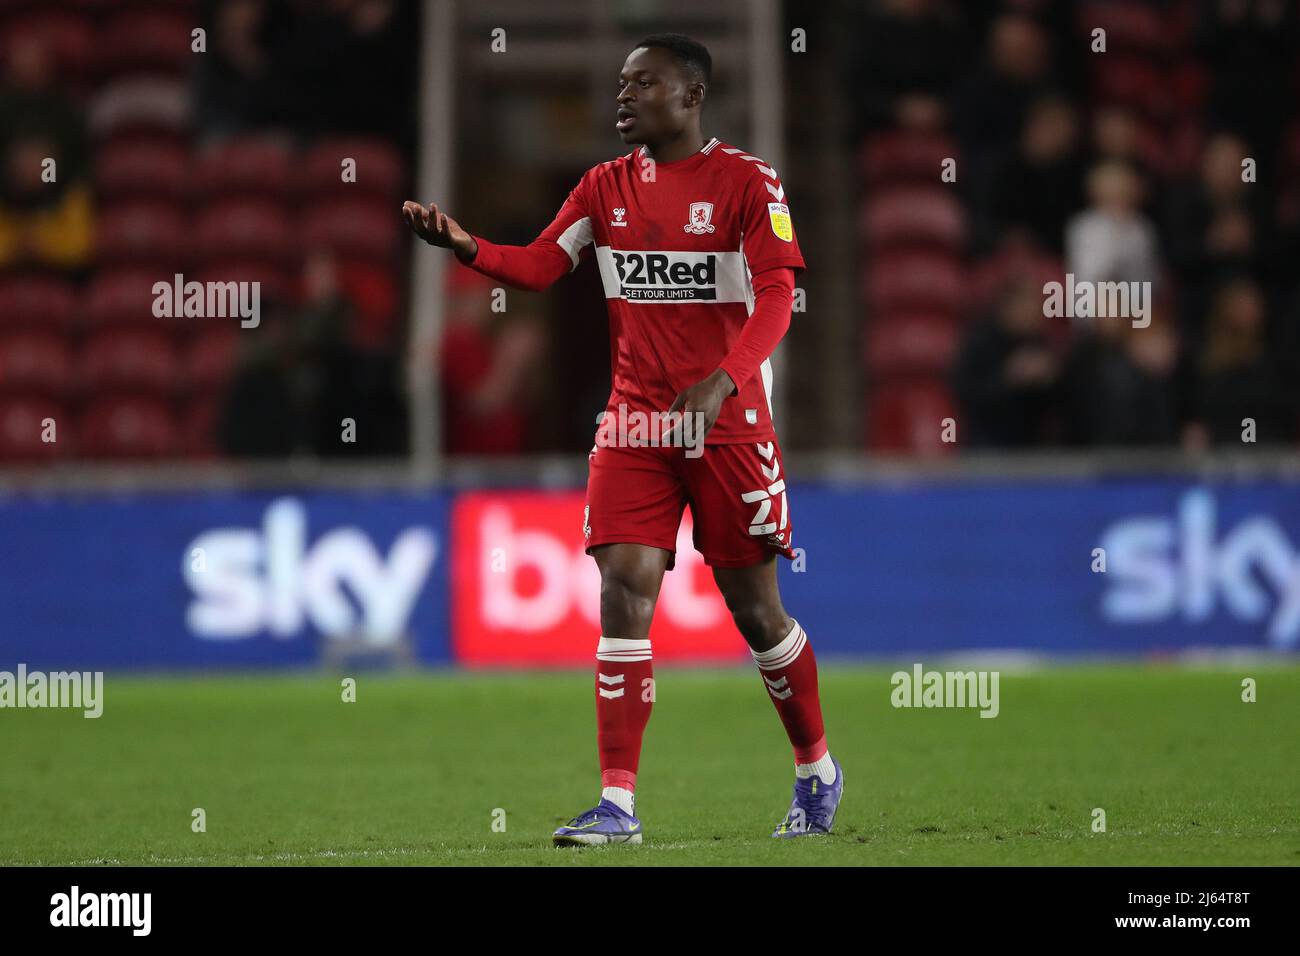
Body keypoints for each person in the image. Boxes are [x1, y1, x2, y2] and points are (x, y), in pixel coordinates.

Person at [404, 34, 841, 844]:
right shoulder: (603, 187)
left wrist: (723, 379)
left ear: (692, 96)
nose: (625, 95)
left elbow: (778, 296)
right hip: (636, 421)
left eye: (645, 83)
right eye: (621, 83)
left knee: (755, 611)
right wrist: (468, 249)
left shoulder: (748, 182)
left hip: (729, 422)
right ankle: (618, 807)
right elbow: (541, 265)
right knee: (624, 588)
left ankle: (816, 767)